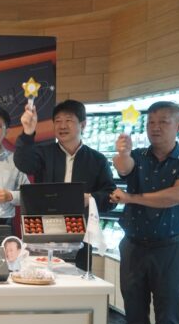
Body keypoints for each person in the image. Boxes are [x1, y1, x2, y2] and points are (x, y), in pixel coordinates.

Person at [107, 101, 179, 324]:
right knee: (135, 311)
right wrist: (123, 153)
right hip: (134, 245)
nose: (155, 127)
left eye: (163, 121)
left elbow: (176, 196)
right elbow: (123, 167)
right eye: (151, 122)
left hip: (171, 248)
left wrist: (132, 198)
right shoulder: (138, 155)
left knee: (167, 314)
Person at [14, 99, 116, 270]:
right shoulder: (44, 153)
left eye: (69, 120)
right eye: (58, 121)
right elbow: (23, 163)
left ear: (83, 124)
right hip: (43, 231)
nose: (62, 126)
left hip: (80, 234)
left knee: (77, 280)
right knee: (41, 276)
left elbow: (110, 197)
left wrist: (90, 198)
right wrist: (28, 132)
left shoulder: (97, 160)